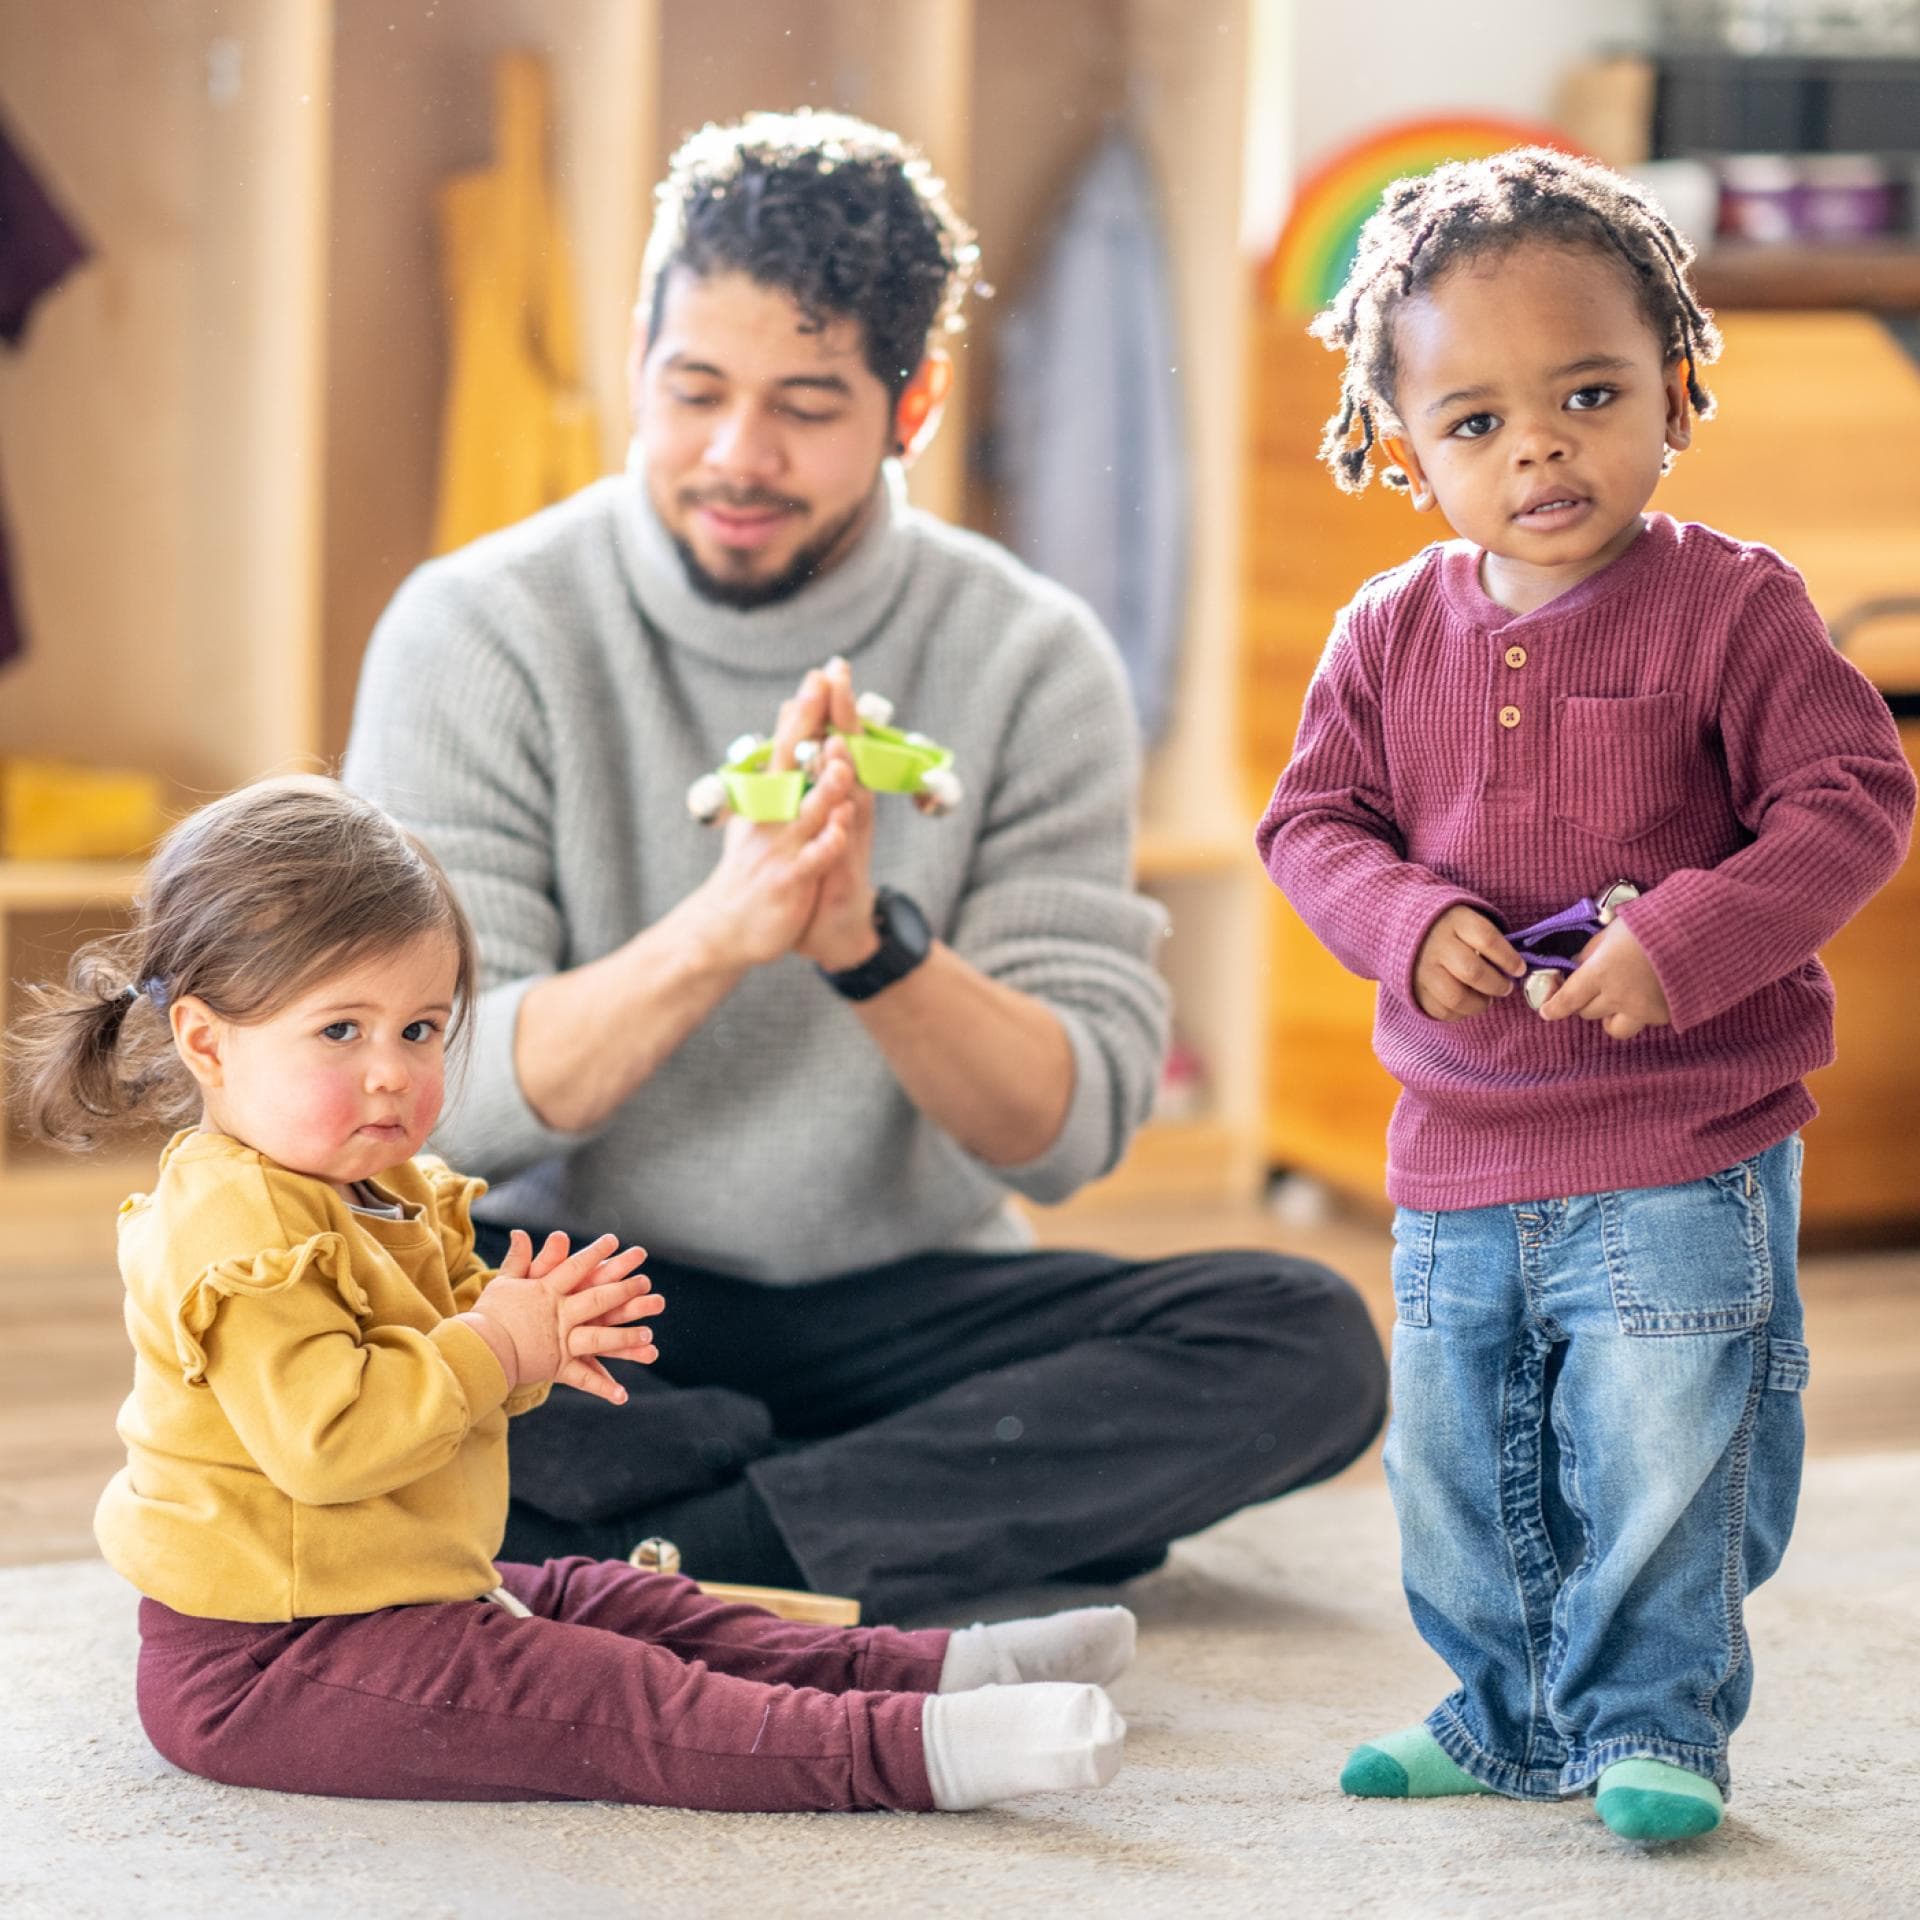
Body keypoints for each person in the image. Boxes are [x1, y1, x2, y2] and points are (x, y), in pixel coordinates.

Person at [343, 109, 1386, 1621]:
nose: (735, 455)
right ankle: (898, 1514)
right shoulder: (480, 629)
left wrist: (868, 948)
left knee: (1306, 1340)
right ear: (638, 361)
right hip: (571, 1289)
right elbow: (431, 1121)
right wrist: (721, 931)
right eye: (693, 389)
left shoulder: (1032, 657)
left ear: (914, 404)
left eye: (807, 405)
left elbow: (1067, 1132)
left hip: (902, 1298)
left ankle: (697, 1553)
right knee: (335, 1319)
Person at [9, 777, 1141, 1812]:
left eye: (420, 1029)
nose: (392, 1072)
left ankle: (939, 1667)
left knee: (631, 1604)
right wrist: (496, 1350)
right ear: (207, 1041)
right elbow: (334, 1444)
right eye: (339, 1032)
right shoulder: (234, 1223)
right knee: (601, 1692)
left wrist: (538, 1338)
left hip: (397, 1588)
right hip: (268, 1661)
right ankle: (907, 1752)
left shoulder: (377, 1183)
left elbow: (447, 1383)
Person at [1256, 147, 1916, 1844]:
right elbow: (1312, 822)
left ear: (1676, 389)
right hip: (1458, 1154)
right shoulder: (1385, 632)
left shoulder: (1736, 606)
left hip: (1681, 1148)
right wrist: (1400, 917)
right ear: (1402, 447)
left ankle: (1652, 1724)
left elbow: (1852, 802)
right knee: (1458, 1470)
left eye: (1586, 393)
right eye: (1473, 422)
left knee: (1664, 1458)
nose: (1536, 446)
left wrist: (1690, 936)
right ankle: (1498, 1716)